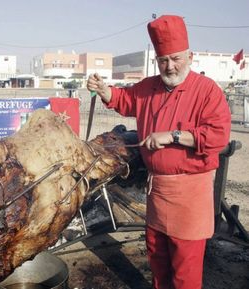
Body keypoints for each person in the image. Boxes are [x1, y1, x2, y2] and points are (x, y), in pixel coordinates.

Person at [87, 15, 231, 289]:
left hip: (190, 194)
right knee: (158, 259)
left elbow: (217, 137)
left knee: (185, 270)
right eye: (163, 60)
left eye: (176, 58)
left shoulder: (207, 91)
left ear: (190, 56)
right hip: (158, 191)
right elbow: (125, 100)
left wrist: (173, 136)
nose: (170, 65)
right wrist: (105, 90)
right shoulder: (149, 87)